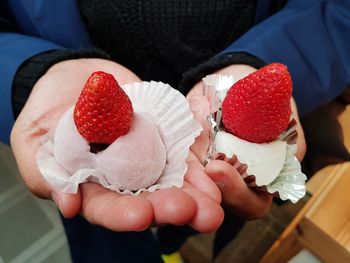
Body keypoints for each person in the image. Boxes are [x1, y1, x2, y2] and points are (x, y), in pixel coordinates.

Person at [1, 0, 349, 262]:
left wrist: (265, 60)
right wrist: (29, 74)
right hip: (88, 161)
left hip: (219, 128)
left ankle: (172, 245)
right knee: (110, 234)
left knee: (198, 210)